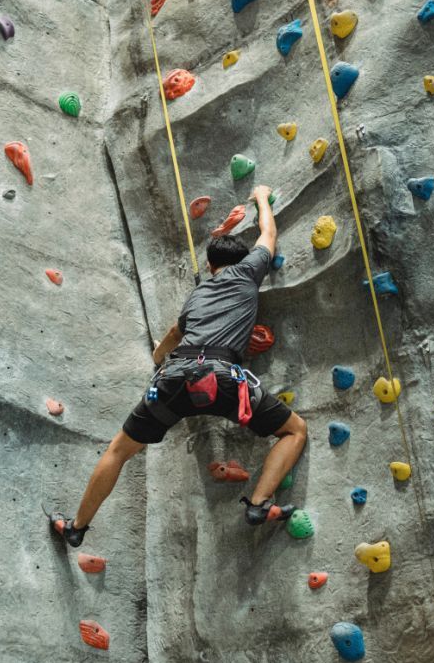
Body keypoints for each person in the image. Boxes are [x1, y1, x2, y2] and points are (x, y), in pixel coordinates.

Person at [52, 185, 308, 547]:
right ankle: (258, 503)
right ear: (243, 261)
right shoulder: (249, 272)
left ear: (209, 266)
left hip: (174, 377)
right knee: (294, 430)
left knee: (119, 450)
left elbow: (174, 332)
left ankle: (77, 527)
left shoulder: (197, 294)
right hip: (223, 379)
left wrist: (159, 357)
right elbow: (268, 233)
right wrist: (262, 197)